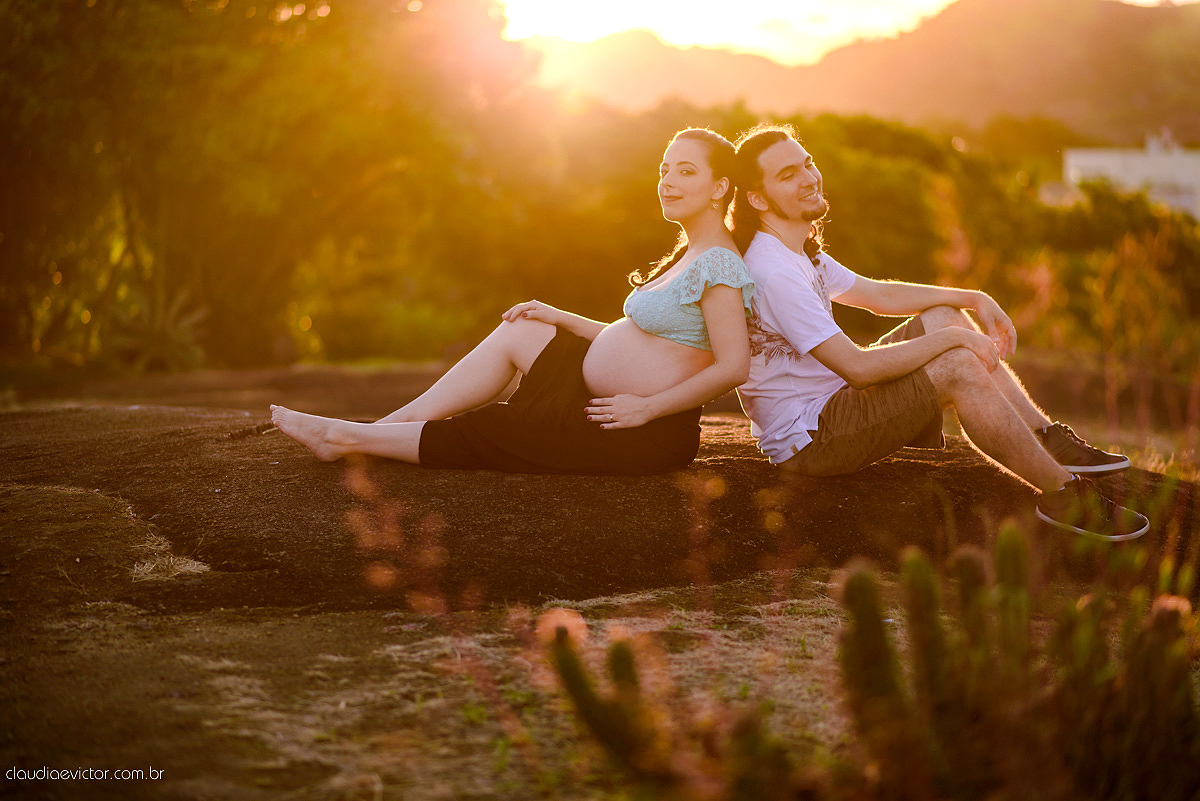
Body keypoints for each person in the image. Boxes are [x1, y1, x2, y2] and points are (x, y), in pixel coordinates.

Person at [729, 122, 1148, 541]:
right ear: (757, 198)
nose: (808, 178)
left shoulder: (795, 248)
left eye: (807, 164)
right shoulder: (775, 271)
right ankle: (1063, 496)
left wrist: (972, 299)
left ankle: (1045, 437)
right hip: (814, 438)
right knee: (958, 365)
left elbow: (878, 295)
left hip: (832, 403)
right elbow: (857, 368)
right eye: (788, 175)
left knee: (942, 312)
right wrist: (957, 339)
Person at [271, 128, 754, 475]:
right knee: (524, 329)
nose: (667, 181)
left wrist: (645, 411)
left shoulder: (721, 265)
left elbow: (733, 367)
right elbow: (647, 337)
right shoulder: (690, 251)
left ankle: (344, 439)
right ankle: (391, 427)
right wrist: (559, 317)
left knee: (495, 426)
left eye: (685, 172)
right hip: (611, 401)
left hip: (640, 429)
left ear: (719, 187)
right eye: (665, 169)